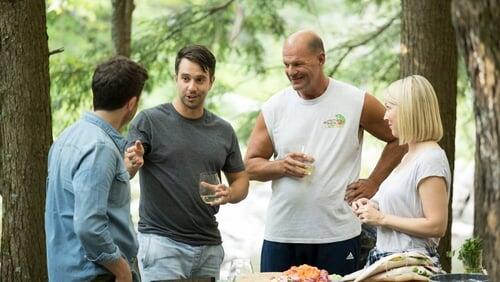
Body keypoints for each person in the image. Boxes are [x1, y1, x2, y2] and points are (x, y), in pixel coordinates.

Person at [244, 30, 406, 276]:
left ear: (321, 59)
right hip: (283, 233)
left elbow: (400, 138)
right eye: (286, 64)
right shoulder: (274, 107)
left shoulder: (355, 101)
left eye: (298, 63)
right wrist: (281, 166)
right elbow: (249, 166)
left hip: (338, 233)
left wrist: (374, 181)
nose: (291, 71)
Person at [125, 44, 249, 281]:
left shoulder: (223, 130)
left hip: (209, 248)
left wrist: (230, 193)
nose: (192, 87)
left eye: (200, 80)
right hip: (162, 245)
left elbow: (241, 179)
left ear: (211, 81)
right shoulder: (150, 121)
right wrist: (132, 162)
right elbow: (125, 169)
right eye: (186, 78)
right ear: (176, 79)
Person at [45, 56, 148, 282]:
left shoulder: (68, 137)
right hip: (96, 275)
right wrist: (122, 270)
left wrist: (124, 171)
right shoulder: (100, 148)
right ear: (131, 104)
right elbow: (88, 226)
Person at [351, 75, 450, 267]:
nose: (385, 116)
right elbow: (407, 207)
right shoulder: (409, 155)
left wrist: (382, 218)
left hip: (411, 264)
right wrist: (372, 206)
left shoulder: (431, 159)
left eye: (389, 107)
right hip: (388, 260)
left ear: (409, 110)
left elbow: (437, 225)